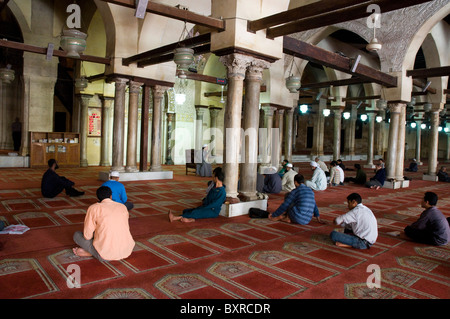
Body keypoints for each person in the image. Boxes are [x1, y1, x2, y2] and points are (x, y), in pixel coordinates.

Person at [72, 186, 135, 261]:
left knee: (77, 235)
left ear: (98, 197)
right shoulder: (122, 207)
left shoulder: (94, 208)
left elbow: (87, 236)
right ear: (111, 196)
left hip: (105, 254)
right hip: (127, 249)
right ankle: (94, 252)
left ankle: (93, 253)